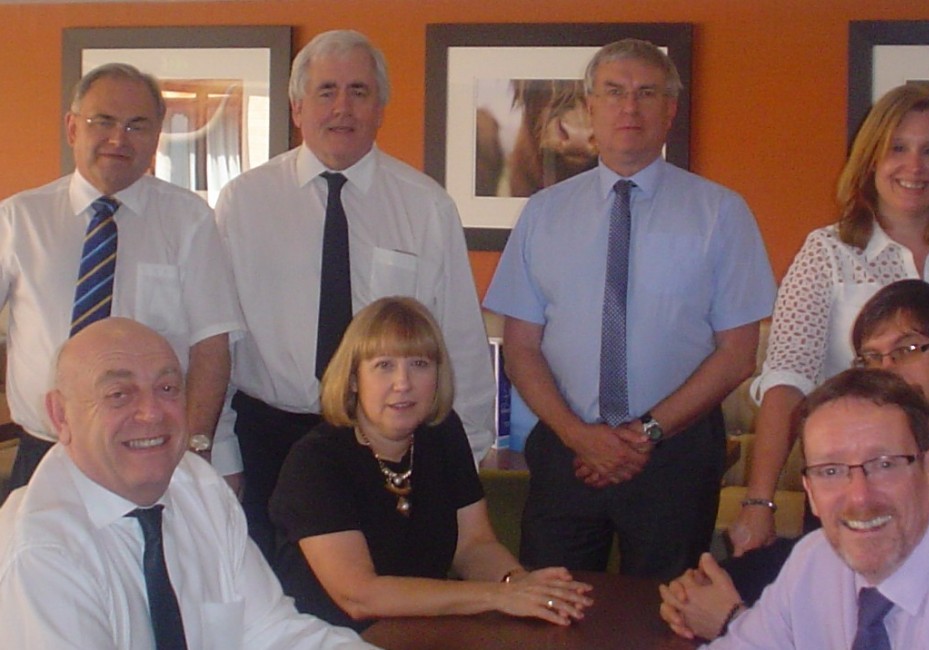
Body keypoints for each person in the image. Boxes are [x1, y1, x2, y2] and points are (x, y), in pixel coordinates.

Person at [483, 38, 776, 579]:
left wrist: (645, 434)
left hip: (676, 456)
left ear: (670, 110)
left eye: (647, 93)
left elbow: (738, 354)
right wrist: (578, 435)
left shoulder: (721, 213)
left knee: (667, 616)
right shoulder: (544, 214)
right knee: (550, 611)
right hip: (567, 454)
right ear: (590, 106)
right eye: (614, 92)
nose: (630, 107)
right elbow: (521, 346)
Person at [215, 30, 494, 558]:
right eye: (326, 91)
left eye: (359, 91)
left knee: (383, 600)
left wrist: (466, 458)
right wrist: (223, 453)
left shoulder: (425, 206)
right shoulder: (244, 203)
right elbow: (221, 343)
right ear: (298, 107)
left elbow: (458, 340)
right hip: (269, 438)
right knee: (271, 605)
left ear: (381, 106)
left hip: (385, 446)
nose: (342, 107)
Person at [733, 83, 929, 557]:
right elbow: (787, 381)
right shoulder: (826, 254)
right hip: (855, 479)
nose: (914, 167)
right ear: (870, 159)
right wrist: (759, 501)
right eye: (897, 149)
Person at [659, 279, 929, 638]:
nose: (887, 371)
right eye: (872, 358)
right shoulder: (849, 453)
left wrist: (730, 619)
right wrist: (718, 581)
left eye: (907, 350)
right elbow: (828, 556)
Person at [0, 318, 379, 649]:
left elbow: (272, 633)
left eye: (167, 389)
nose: (151, 413)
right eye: (118, 394)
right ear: (60, 415)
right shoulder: (42, 552)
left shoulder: (195, 485)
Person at [269, 297, 592, 631]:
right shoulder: (315, 462)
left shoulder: (441, 433)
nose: (403, 383)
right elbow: (360, 596)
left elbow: (472, 546)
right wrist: (497, 596)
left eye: (419, 364)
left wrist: (522, 584)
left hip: (423, 632)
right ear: (353, 380)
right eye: (384, 365)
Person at [0, 62, 244, 497]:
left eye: (137, 126)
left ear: (157, 135)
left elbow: (211, 348)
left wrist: (195, 449)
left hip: (149, 452)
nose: (118, 139)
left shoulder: (188, 221)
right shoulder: (20, 220)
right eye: (104, 122)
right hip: (46, 453)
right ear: (73, 128)